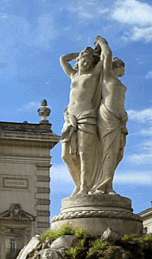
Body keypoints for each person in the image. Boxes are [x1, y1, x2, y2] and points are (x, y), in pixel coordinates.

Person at [59, 43, 104, 195]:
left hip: (86, 115)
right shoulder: (73, 74)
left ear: (92, 63)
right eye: (82, 60)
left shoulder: (93, 75)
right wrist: (80, 53)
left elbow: (105, 58)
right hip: (71, 117)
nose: (85, 63)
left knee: (85, 153)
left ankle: (85, 186)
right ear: (78, 62)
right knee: (66, 155)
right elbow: (63, 59)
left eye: (88, 61)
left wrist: (99, 48)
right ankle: (78, 183)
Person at [94, 35, 127, 195]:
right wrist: (103, 43)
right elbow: (106, 55)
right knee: (108, 151)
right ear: (117, 67)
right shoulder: (107, 76)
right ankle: (103, 185)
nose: (123, 72)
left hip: (118, 120)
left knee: (116, 153)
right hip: (107, 115)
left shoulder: (117, 82)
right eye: (122, 69)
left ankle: (108, 184)